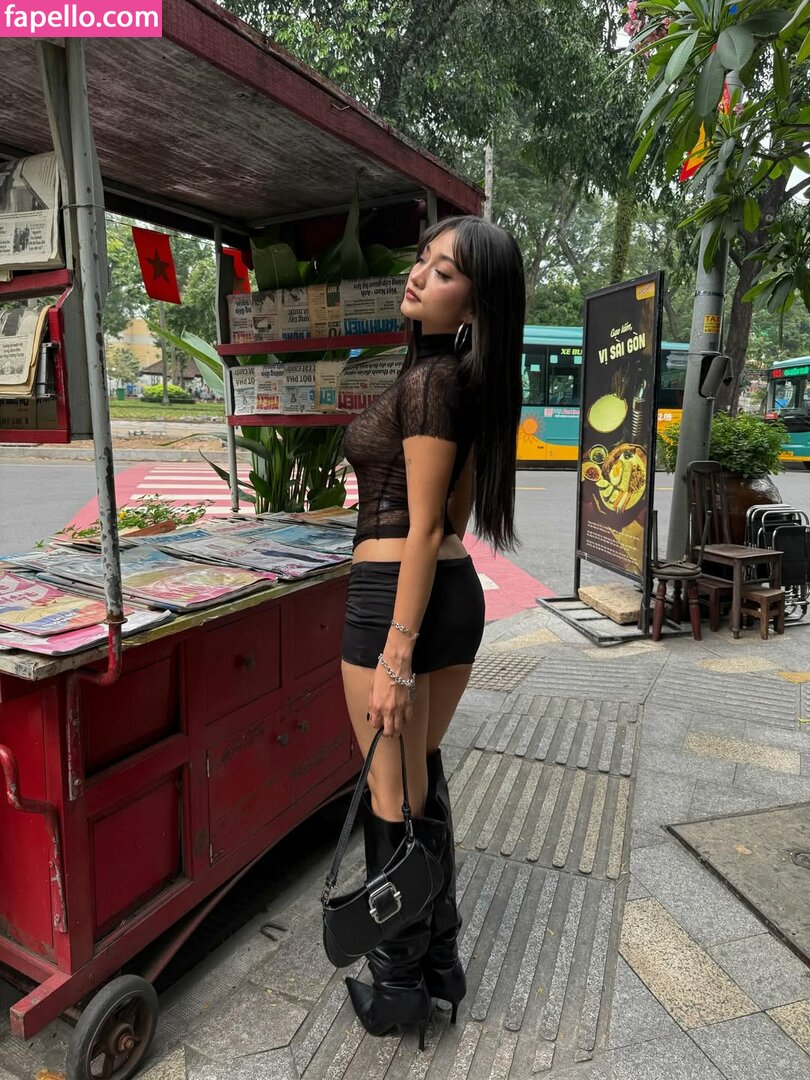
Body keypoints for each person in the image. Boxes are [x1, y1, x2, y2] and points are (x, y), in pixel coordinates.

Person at [340, 215, 526, 1048]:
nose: (418, 274)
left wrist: (395, 656)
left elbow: (420, 528)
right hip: (452, 596)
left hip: (397, 601)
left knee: (392, 795)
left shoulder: (428, 383)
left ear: (476, 304)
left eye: (443, 270)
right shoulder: (468, 382)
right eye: (422, 259)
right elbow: (453, 516)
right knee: (421, 780)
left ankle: (399, 987)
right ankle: (440, 963)